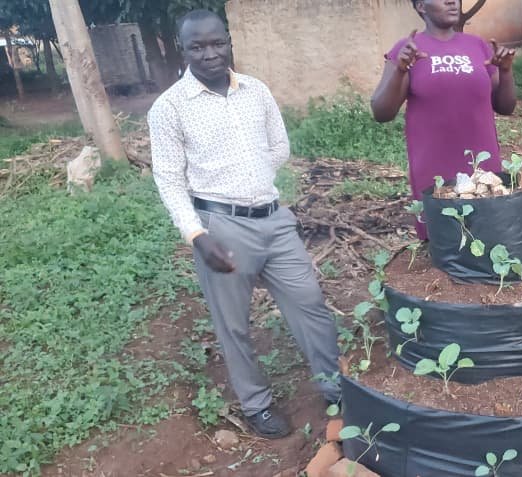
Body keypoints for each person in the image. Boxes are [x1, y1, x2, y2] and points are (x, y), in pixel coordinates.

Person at [148, 9, 343, 439]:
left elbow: (279, 146)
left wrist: (251, 176)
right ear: (183, 50)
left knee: (309, 302)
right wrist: (197, 234)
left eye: (217, 43)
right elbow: (169, 179)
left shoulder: (256, 90)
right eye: (197, 47)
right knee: (233, 323)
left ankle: (337, 388)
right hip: (221, 226)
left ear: (229, 41)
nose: (210, 54)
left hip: (274, 219)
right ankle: (257, 404)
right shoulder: (170, 108)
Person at [371, 0, 517, 239]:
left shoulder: (477, 45)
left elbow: (506, 107)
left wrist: (506, 71)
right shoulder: (407, 49)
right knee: (444, 244)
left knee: (487, 238)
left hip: (481, 167)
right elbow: (381, 112)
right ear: (421, 7)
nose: (452, 1)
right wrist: (400, 69)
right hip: (435, 173)